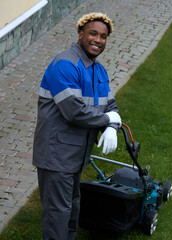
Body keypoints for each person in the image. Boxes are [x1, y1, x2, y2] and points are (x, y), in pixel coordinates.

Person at [32, 12, 120, 240]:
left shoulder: (97, 70)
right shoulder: (65, 64)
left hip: (76, 155)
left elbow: (110, 105)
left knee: (71, 208)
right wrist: (107, 121)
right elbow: (74, 111)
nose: (98, 40)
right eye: (93, 33)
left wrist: (112, 126)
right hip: (57, 154)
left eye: (103, 36)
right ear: (80, 33)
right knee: (57, 214)